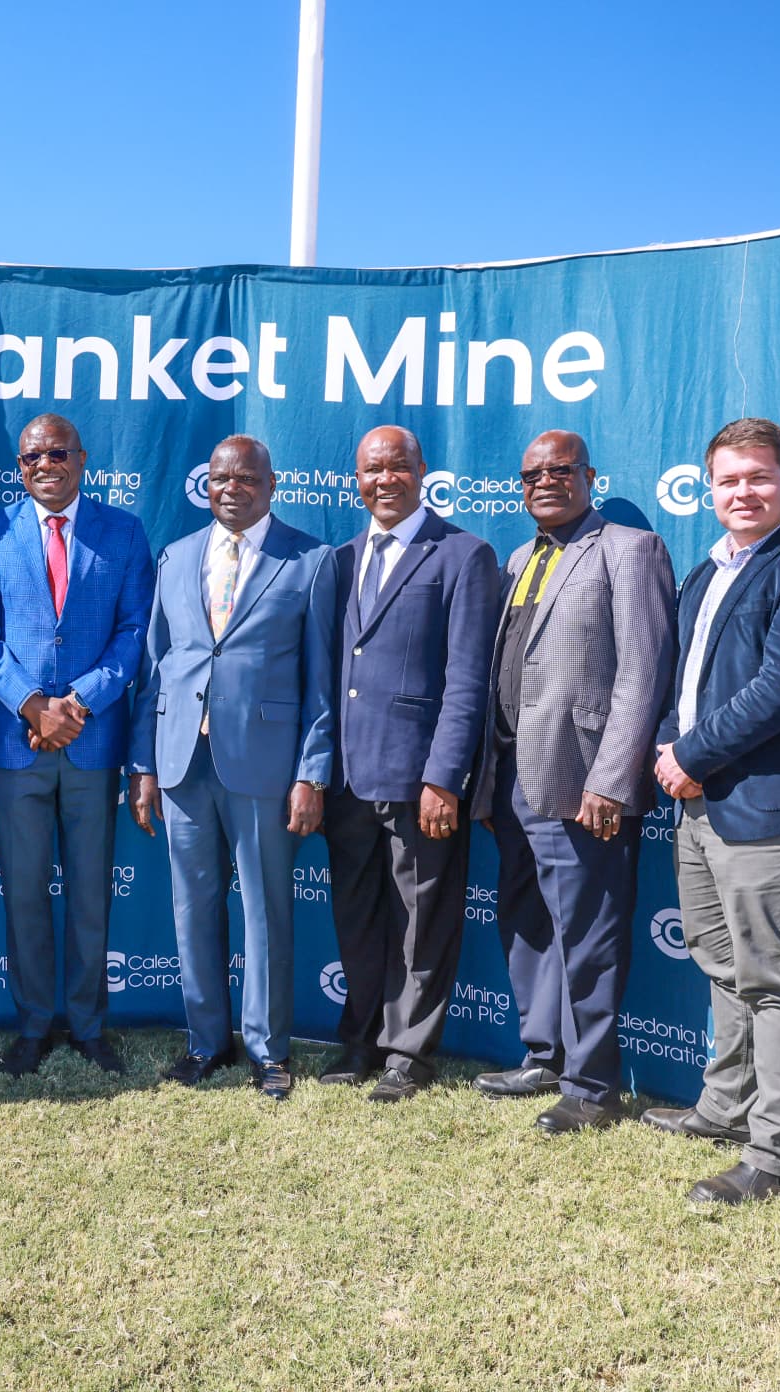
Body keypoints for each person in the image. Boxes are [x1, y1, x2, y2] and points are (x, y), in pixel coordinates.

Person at [646, 417, 780, 1204]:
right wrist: (668, 746)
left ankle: (777, 1157)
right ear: (709, 489)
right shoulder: (705, 574)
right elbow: (683, 683)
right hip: (702, 805)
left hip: (775, 808)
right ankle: (724, 1107)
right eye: (729, 480)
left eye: (759, 477)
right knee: (720, 964)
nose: (743, 492)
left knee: (771, 978)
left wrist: (689, 756)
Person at [471, 431, 677, 1132]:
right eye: (531, 475)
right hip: (511, 774)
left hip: (582, 778)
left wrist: (611, 779)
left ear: (590, 476)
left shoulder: (629, 548)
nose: (544, 482)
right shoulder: (519, 558)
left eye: (560, 470)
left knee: (588, 932)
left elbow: (643, 673)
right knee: (527, 920)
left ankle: (591, 1086)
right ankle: (543, 1054)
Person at [129, 435, 337, 1101]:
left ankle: (268, 1050)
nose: (231, 489)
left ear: (271, 485)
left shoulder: (310, 560)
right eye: (220, 478)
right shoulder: (177, 555)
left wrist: (311, 772)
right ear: (207, 485)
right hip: (183, 762)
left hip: (265, 766)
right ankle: (205, 1042)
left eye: (246, 478)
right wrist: (144, 763)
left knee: (266, 910)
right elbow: (157, 669)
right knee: (192, 907)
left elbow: (322, 683)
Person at [0, 413, 155, 1076]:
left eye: (57, 453)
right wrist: (32, 705)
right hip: (17, 741)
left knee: (90, 893)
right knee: (22, 892)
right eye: (31, 457)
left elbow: (134, 631)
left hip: (92, 740)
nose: (44, 464)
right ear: (20, 467)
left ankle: (88, 1024)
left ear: (81, 458)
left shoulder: (123, 531)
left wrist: (78, 703)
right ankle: (34, 1023)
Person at [321, 425, 499, 1102]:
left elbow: (467, 680)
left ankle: (408, 1053)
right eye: (372, 470)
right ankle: (360, 1040)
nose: (385, 480)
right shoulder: (342, 559)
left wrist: (443, 777)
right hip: (348, 777)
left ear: (422, 472)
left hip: (419, 779)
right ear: (357, 480)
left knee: (421, 922)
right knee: (357, 916)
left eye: (397, 467)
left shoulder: (463, 555)